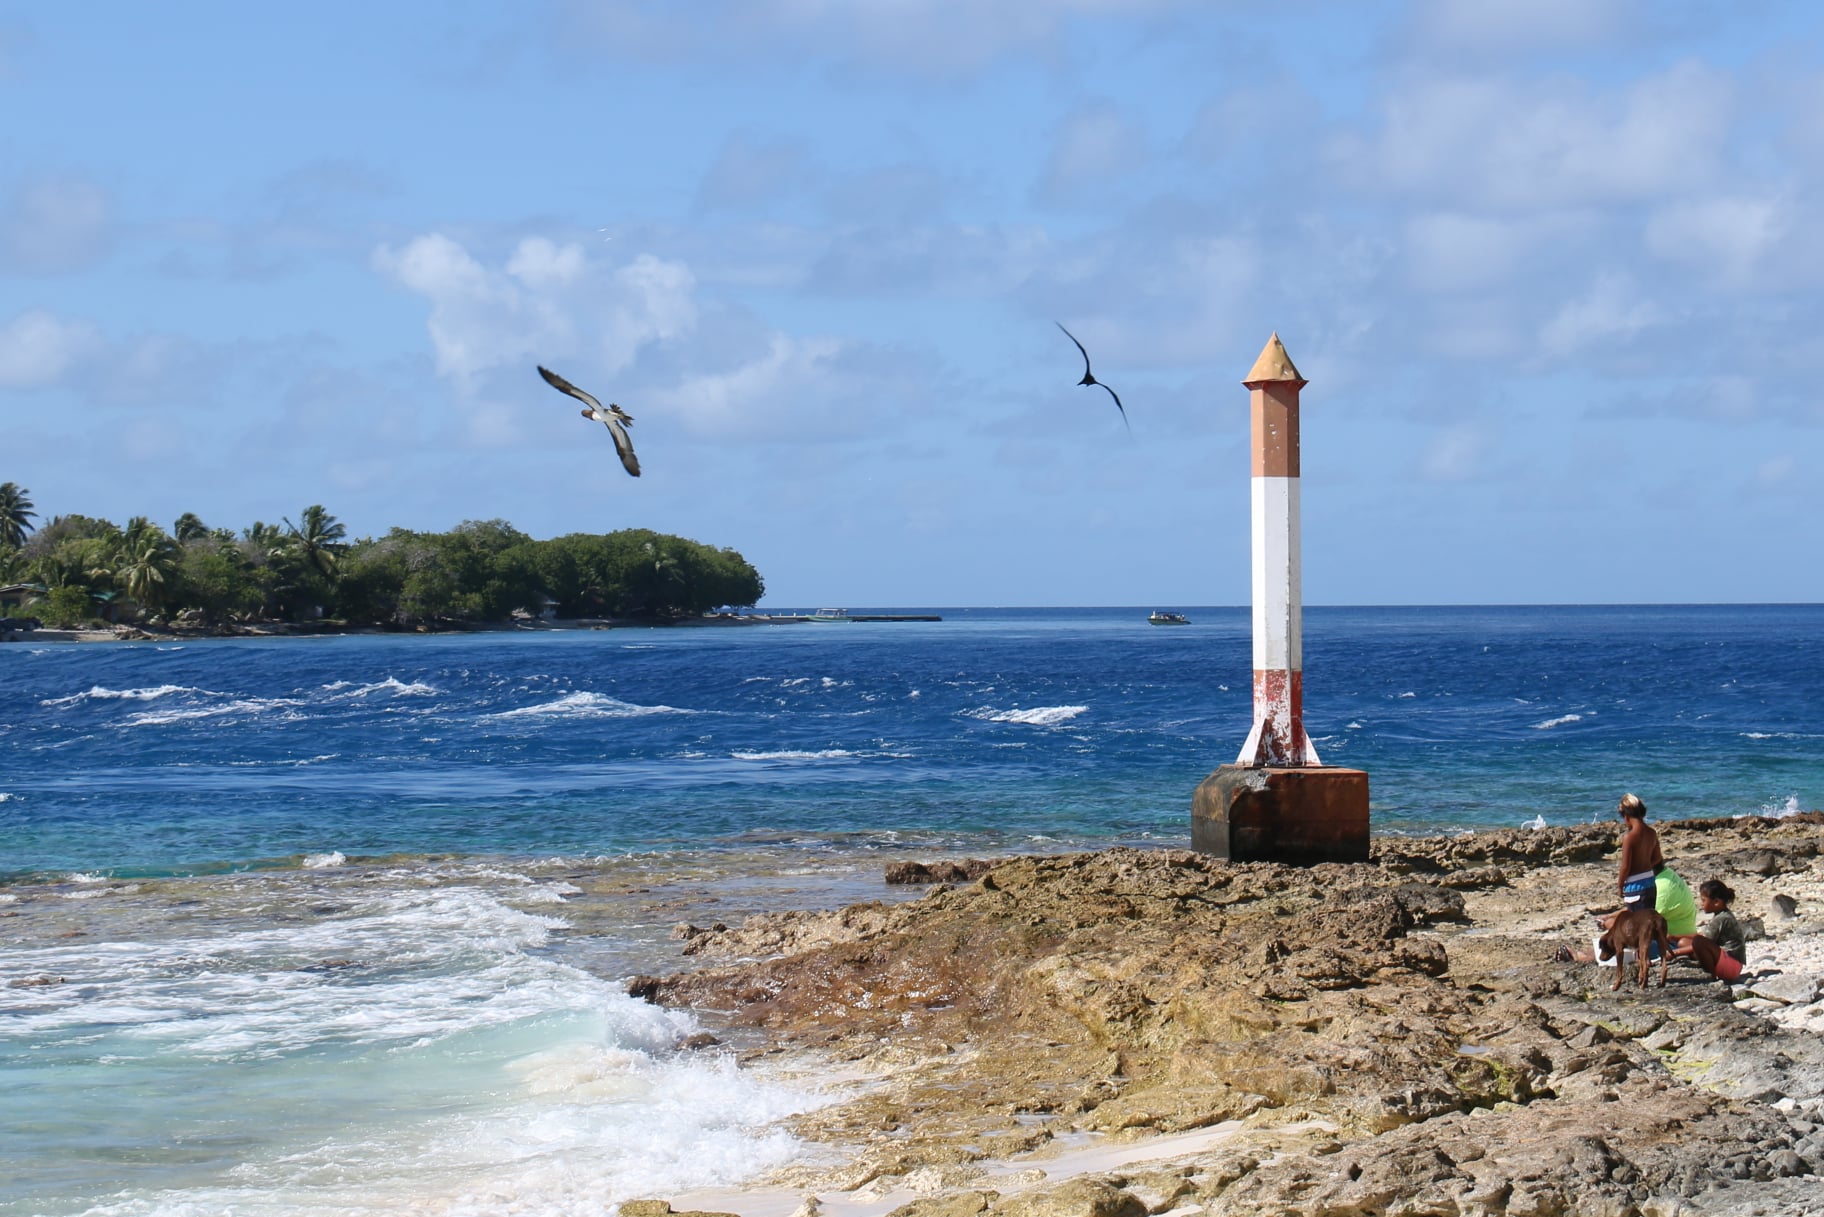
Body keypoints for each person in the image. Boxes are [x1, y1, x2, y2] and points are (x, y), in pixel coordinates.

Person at [1559, 793, 1699, 963]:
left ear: (1626, 817)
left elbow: (1626, 869)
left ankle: (1585, 957)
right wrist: (1612, 915)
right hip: (1670, 934)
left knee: (1618, 930)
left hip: (1669, 942)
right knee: (1616, 925)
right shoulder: (1665, 875)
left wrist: (1620, 886)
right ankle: (1588, 954)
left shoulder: (1660, 886)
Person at [1672, 879, 1747, 981]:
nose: (1701, 904)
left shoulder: (1722, 918)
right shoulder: (1721, 915)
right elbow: (1702, 935)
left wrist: (1675, 953)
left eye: (1703, 900)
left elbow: (1702, 941)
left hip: (1732, 965)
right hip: (1729, 963)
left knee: (1698, 942)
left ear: (1716, 902)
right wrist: (1674, 937)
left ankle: (1710, 976)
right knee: (1683, 942)